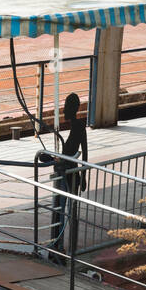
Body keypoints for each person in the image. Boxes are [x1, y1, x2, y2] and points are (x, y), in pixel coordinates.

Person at [41, 93, 88, 254]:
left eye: (67, 107)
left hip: (70, 171)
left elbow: (83, 152)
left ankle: (61, 245)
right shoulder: (72, 126)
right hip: (64, 168)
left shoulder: (78, 126)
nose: (65, 110)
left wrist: (84, 175)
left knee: (66, 209)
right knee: (60, 208)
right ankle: (57, 243)